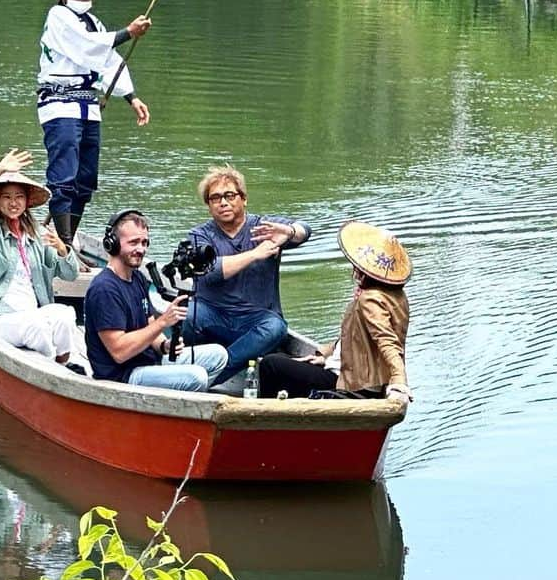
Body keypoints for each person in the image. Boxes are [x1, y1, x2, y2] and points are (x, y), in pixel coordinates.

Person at [34, 0, 152, 247]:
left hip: (88, 105)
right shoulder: (58, 16)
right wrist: (128, 32)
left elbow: (107, 61)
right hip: (61, 104)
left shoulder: (95, 24)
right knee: (64, 175)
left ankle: (68, 238)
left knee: (85, 178)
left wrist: (131, 97)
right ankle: (61, 245)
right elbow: (86, 46)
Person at [179, 165, 311, 384]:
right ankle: (186, 363)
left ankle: (212, 374)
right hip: (213, 315)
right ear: (209, 205)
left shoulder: (264, 227)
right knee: (186, 314)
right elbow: (208, 272)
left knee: (275, 328)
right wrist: (255, 254)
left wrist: (289, 232)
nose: (223, 202)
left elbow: (305, 229)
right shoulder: (198, 235)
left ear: (243, 198)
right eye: (215, 198)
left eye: (230, 195)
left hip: (255, 319)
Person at [258, 222, 412, 402]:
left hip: (352, 383)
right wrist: (325, 353)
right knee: (286, 362)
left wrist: (399, 381)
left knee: (270, 365)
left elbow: (387, 341)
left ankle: (266, 419)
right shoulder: (397, 296)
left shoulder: (370, 299)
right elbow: (355, 336)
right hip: (358, 374)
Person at [84, 209, 227, 392]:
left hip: (149, 361)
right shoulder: (104, 289)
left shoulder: (138, 278)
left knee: (218, 355)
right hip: (123, 376)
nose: (141, 249)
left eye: (144, 242)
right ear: (112, 244)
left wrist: (164, 345)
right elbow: (119, 352)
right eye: (133, 242)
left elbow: (148, 324)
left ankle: (175, 404)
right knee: (196, 377)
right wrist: (163, 322)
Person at [0, 148, 81, 366]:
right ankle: (49, 369)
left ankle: (62, 362)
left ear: (27, 201)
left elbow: (70, 275)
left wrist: (63, 250)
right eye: (6, 197)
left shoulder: (38, 234)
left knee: (65, 315)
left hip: (32, 312)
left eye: (19, 197)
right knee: (36, 327)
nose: (13, 202)